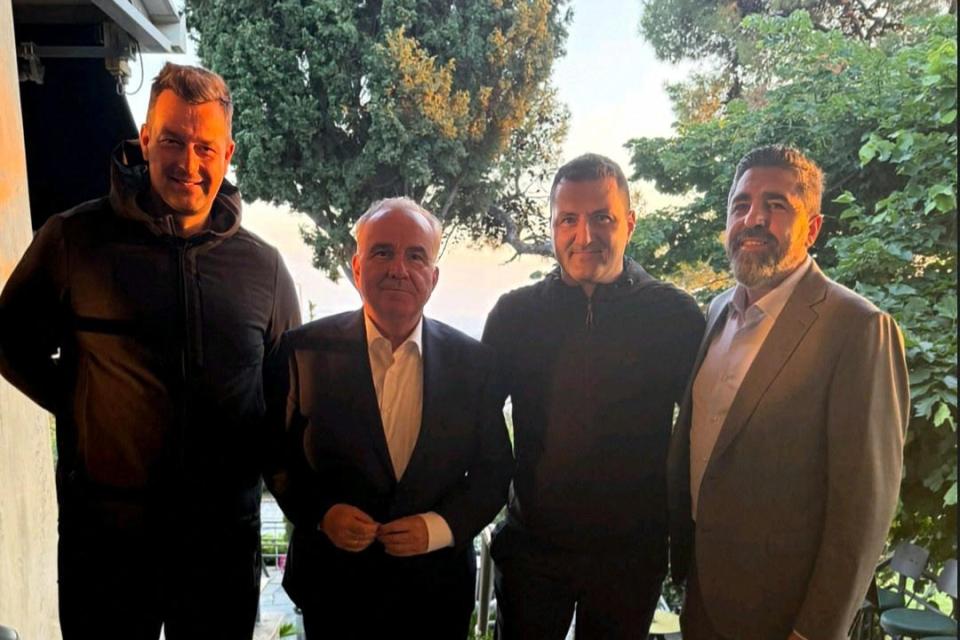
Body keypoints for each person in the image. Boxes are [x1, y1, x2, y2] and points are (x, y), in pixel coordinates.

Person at [0, 63, 301, 639]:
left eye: (205, 147)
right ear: (144, 140)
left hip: (220, 544)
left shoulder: (263, 268)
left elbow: (286, 392)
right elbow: (9, 339)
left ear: (228, 153)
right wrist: (80, 404)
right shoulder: (74, 240)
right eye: (172, 141)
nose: (189, 162)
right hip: (104, 542)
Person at [667, 145, 910, 640]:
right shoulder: (716, 311)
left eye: (776, 205)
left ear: (812, 228)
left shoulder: (857, 327)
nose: (753, 219)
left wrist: (815, 631)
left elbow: (864, 508)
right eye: (741, 205)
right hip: (704, 597)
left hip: (784, 615)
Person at [482, 154, 705, 639]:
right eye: (568, 219)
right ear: (552, 226)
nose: (584, 235)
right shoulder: (514, 317)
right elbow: (475, 428)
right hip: (532, 551)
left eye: (602, 217)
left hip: (631, 557)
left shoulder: (674, 316)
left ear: (629, 222)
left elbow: (703, 436)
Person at [271, 198, 513, 639]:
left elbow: (493, 471)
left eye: (415, 255)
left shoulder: (475, 363)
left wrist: (439, 528)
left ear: (433, 277)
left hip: (436, 593)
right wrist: (323, 514)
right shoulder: (302, 351)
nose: (399, 269)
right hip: (334, 589)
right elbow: (277, 455)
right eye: (382, 252)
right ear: (357, 266)